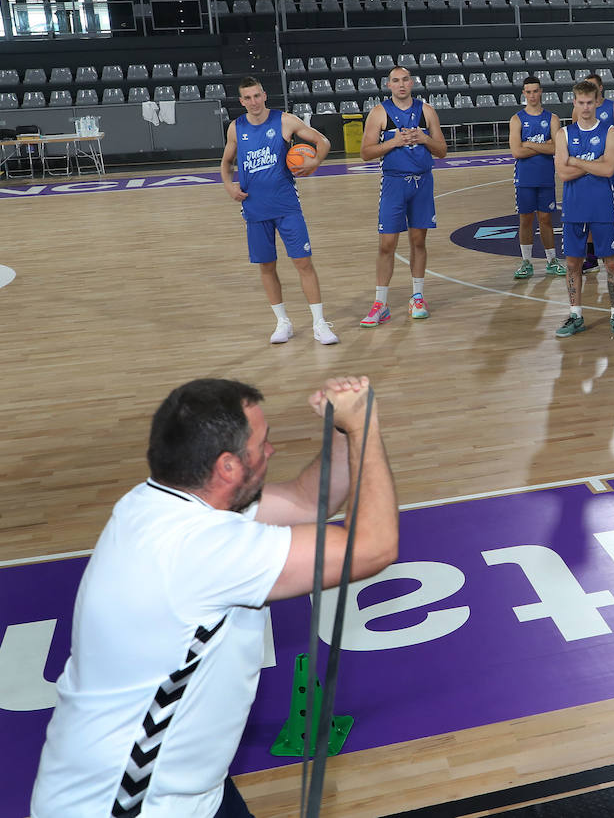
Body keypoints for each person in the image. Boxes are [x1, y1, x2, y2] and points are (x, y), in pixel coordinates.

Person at [31, 375, 397, 817]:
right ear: (227, 467)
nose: (271, 452)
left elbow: (308, 503)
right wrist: (365, 429)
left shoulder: (157, 504)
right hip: (129, 806)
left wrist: (341, 432)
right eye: (263, 444)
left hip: (181, 791)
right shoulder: (201, 550)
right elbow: (373, 547)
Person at [219, 77, 337, 345]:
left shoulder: (285, 121)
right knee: (267, 267)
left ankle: (319, 323)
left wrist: (315, 161)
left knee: (303, 263)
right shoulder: (236, 128)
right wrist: (228, 186)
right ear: (241, 101)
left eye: (257, 96)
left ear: (264, 95)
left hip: (286, 207)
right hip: (254, 208)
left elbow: (323, 141)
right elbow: (226, 162)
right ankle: (282, 321)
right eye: (247, 98)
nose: (253, 102)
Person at [356, 66, 447, 328]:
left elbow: (442, 151)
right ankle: (380, 304)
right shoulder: (379, 113)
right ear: (389, 85)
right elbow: (365, 152)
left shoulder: (426, 111)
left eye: (405, 79)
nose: (401, 84)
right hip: (394, 184)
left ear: (412, 82)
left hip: (422, 183)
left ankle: (417, 297)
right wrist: (393, 142)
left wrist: (424, 138)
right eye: (396, 81)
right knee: (387, 244)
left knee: (418, 241)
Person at [555, 79, 614, 340]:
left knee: (611, 263)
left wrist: (575, 160)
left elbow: (609, 169)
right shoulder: (563, 134)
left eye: (590, 102)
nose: (585, 107)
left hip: (602, 208)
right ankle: (575, 314)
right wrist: (593, 162)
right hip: (574, 208)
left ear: (597, 102)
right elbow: (562, 174)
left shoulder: (610, 132)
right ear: (574, 103)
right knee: (573, 263)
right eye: (581, 102)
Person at [509, 75, 565, 279]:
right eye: (528, 91)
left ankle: (552, 260)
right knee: (525, 220)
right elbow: (517, 152)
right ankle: (526, 262)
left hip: (545, 178)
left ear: (541, 92)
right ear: (524, 93)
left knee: (546, 219)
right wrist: (544, 147)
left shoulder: (552, 118)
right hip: (524, 178)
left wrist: (529, 144)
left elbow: (557, 149)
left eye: (535, 91)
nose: (532, 95)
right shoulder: (517, 119)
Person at [582, 73, 614, 274]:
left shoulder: (613, 107)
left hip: (610, 170)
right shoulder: (581, 110)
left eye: (593, 86)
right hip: (589, 169)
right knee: (589, 213)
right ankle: (592, 257)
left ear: (601, 88)